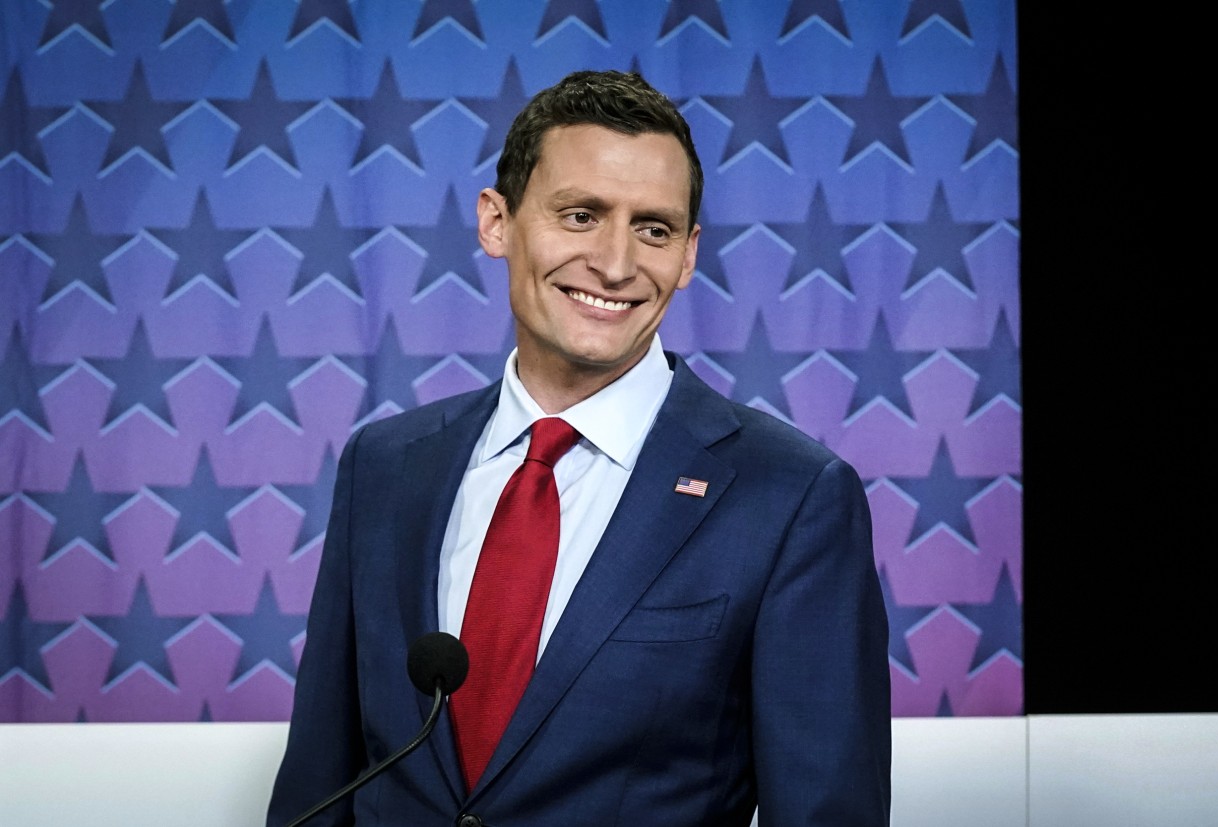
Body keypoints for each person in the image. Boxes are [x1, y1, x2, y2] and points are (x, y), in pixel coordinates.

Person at [267, 69, 891, 826]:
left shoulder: (790, 495)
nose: (617, 263)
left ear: (689, 255)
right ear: (496, 223)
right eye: (581, 215)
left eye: (654, 229)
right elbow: (319, 784)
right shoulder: (385, 465)